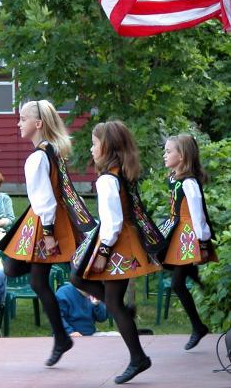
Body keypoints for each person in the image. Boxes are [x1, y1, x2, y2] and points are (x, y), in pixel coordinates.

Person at [0, 100, 96, 367]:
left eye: (22, 118)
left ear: (37, 124)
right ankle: (68, 333)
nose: (18, 123)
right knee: (25, 272)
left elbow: (45, 199)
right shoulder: (51, 151)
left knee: (42, 279)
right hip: (45, 220)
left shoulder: (39, 157)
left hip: (45, 222)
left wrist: (50, 233)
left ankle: (63, 336)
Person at [71, 121, 164, 385]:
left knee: (104, 296)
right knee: (79, 279)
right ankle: (129, 328)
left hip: (116, 244)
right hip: (122, 241)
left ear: (107, 147)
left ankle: (138, 357)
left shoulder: (107, 180)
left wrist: (102, 253)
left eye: (94, 143)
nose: (91, 148)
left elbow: (112, 223)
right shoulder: (119, 174)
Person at [160, 134, 218, 350]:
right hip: (177, 234)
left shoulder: (189, 183)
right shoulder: (176, 179)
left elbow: (198, 215)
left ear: (182, 155)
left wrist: (202, 245)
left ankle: (198, 326)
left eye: (168, 151)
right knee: (165, 263)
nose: (164, 155)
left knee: (176, 283)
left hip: (188, 237)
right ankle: (205, 286)